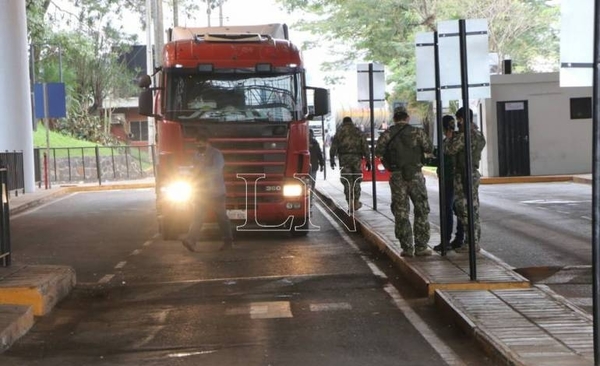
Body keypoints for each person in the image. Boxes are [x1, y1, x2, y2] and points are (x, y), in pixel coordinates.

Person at [375, 107, 433, 257]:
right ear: (407, 118)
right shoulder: (418, 132)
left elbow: (378, 151)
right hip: (415, 175)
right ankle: (421, 246)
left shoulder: (388, 133)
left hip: (397, 176)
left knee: (401, 212)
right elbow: (429, 147)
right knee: (421, 209)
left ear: (394, 118)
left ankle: (407, 248)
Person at [182, 131, 234, 252]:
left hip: (217, 193)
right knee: (197, 217)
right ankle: (191, 241)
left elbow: (216, 169)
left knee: (221, 217)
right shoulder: (196, 155)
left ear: (207, 143)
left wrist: (200, 170)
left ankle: (228, 241)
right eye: (197, 144)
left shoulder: (216, 154)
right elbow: (193, 170)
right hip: (201, 193)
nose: (199, 147)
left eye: (201, 144)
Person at [444, 107, 486, 253]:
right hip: (473, 172)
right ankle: (472, 242)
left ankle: (472, 243)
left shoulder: (463, 135)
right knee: (473, 207)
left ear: (461, 119)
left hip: (462, 174)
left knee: (464, 209)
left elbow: (449, 150)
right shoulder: (478, 134)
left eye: (458, 120)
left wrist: (449, 139)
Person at [433, 115, 464, 252]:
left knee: (450, 209)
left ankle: (450, 240)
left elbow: (447, 153)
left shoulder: (453, 140)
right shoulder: (455, 139)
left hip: (452, 178)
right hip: (451, 178)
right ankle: (457, 238)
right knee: (455, 209)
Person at [329, 116, 371, 211]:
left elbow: (334, 146)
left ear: (343, 122)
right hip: (356, 159)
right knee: (356, 180)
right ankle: (356, 202)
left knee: (347, 181)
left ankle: (350, 203)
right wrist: (368, 160)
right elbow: (365, 146)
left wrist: (332, 159)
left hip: (344, 159)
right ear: (351, 122)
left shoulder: (339, 132)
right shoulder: (358, 131)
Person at [308, 129, 325, 193]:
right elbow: (319, 154)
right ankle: (310, 197)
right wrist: (321, 164)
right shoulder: (315, 143)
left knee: (310, 182)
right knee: (312, 182)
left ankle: (310, 197)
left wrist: (321, 164)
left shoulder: (314, 143)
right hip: (313, 166)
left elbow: (319, 154)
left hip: (311, 166)